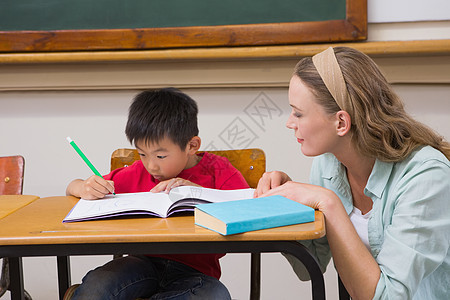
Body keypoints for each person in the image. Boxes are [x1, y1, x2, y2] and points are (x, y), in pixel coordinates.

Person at [255, 47, 450, 299]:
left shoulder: (426, 176)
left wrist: (328, 202)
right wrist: (288, 207)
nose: (289, 122)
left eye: (299, 113)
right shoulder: (328, 164)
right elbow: (309, 265)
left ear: (341, 123)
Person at [65, 88, 249, 300]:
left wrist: (196, 193)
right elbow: (73, 187)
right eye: (142, 154)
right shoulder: (137, 171)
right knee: (99, 283)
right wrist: (83, 187)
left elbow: (245, 207)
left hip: (196, 272)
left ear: (192, 145)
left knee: (214, 296)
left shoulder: (218, 171)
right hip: (141, 263)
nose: (151, 165)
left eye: (161, 155)